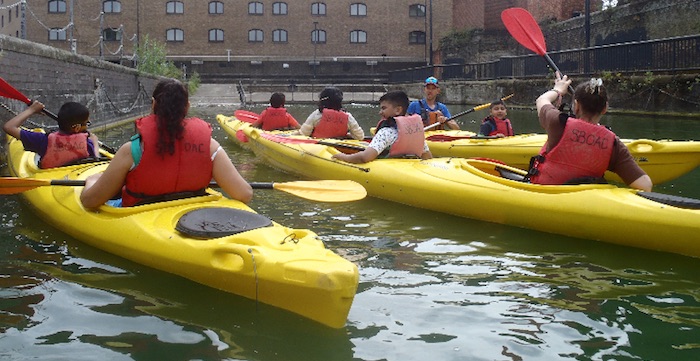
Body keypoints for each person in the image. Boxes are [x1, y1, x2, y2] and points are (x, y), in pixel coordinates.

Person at [80, 79, 253, 208]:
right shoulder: (210, 146)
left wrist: (92, 180)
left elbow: (90, 201)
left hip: (141, 217)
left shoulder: (131, 150)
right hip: (191, 215)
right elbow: (244, 193)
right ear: (187, 107)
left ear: (154, 104)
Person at [528, 72, 652, 191]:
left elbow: (542, 100)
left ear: (576, 106)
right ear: (604, 109)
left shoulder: (557, 122)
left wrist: (558, 89)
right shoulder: (613, 144)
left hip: (546, 195)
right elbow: (645, 185)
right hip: (586, 205)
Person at [332, 90, 431, 164]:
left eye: (384, 108)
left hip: (391, 171)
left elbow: (364, 157)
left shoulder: (386, 132)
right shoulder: (415, 131)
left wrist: (343, 157)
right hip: (411, 169)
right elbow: (427, 156)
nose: (380, 112)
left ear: (398, 110)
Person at [3, 100, 100, 168]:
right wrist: (95, 143)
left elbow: (9, 127)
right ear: (77, 128)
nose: (87, 126)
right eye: (87, 123)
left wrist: (31, 110)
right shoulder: (87, 143)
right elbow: (96, 160)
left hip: (53, 179)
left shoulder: (42, 140)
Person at [299, 87, 365, 140]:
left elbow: (304, 134)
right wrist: (348, 135)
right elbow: (360, 136)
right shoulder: (348, 116)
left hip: (319, 147)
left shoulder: (317, 114)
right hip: (340, 148)